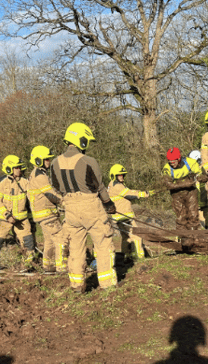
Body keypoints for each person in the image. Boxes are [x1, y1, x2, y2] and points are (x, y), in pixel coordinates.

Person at [49, 122, 117, 292]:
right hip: (90, 206)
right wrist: (109, 204)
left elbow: (56, 186)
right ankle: (107, 284)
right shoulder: (88, 161)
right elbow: (99, 186)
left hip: (70, 208)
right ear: (81, 140)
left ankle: (77, 284)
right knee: (103, 243)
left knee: (76, 248)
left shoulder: (54, 163)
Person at [0, 155, 36, 270]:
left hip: (22, 219)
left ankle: (28, 264)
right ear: (9, 168)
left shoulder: (25, 182)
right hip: (3, 219)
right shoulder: (0, 183)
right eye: (17, 168)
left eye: (20, 167)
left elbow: (33, 197)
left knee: (28, 241)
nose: (20, 170)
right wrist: (7, 214)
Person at [28, 146, 68, 274]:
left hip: (43, 214)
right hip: (47, 214)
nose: (49, 162)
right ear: (39, 160)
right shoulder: (39, 175)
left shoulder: (38, 174)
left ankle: (48, 266)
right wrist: (65, 202)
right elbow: (50, 194)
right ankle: (62, 267)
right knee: (61, 238)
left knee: (49, 241)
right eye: (46, 160)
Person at [107, 164, 152, 262]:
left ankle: (127, 257)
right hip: (125, 217)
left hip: (119, 217)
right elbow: (130, 194)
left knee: (125, 238)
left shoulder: (112, 185)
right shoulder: (117, 186)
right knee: (137, 236)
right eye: (120, 175)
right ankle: (140, 258)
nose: (122, 177)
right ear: (114, 175)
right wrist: (144, 194)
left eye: (123, 175)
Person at [162, 147, 202, 231]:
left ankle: (194, 237)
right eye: (170, 162)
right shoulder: (167, 168)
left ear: (179, 158)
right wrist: (184, 184)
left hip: (191, 193)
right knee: (181, 218)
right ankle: (183, 239)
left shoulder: (191, 162)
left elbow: (199, 174)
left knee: (193, 215)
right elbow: (168, 185)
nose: (172, 164)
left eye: (173, 161)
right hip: (176, 195)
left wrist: (201, 177)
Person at [189, 150, 208, 229]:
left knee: (205, 215)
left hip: (204, 197)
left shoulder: (204, 168)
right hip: (199, 199)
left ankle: (207, 229)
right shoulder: (195, 169)